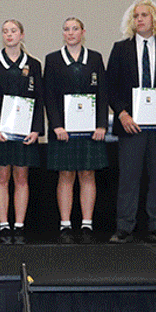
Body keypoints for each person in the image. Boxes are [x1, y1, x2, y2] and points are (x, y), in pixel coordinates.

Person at [105, 0, 156, 243]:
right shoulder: (121, 49)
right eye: (136, 16)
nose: (139, 19)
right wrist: (122, 114)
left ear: (154, 19)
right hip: (131, 125)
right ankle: (124, 227)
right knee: (128, 178)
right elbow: (110, 87)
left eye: (144, 15)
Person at [42, 16, 108, 244]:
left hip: (90, 129)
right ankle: (65, 224)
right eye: (66, 29)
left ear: (83, 32)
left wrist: (101, 124)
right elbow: (49, 95)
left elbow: (103, 93)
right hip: (64, 130)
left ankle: (87, 224)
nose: (70, 33)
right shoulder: (52, 59)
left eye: (75, 29)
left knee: (88, 173)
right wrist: (56, 125)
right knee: (66, 174)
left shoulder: (95, 58)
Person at [0, 19, 44, 244]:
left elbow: (39, 99)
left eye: (13, 31)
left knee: (21, 177)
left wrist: (36, 130)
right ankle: (3, 225)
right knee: (1, 177)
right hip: (1, 132)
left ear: (22, 34)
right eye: (5, 31)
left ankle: (19, 225)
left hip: (24, 132)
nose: (9, 35)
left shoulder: (34, 65)